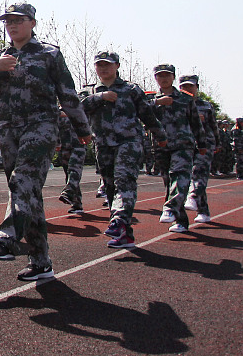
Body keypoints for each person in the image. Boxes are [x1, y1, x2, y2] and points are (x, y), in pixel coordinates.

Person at [0, 3, 91, 281]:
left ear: (32, 23)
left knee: (22, 182)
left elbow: (67, 93)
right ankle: (41, 261)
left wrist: (82, 127)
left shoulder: (49, 54)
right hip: (8, 129)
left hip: (41, 127)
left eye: (18, 20)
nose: (12, 25)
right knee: (27, 193)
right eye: (7, 21)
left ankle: (6, 238)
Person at [80, 51, 166, 249]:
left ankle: (118, 220)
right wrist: (101, 97)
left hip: (129, 142)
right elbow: (76, 107)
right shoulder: (90, 91)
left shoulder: (131, 89)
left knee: (124, 180)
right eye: (99, 65)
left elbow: (147, 114)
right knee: (109, 187)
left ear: (117, 66)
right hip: (103, 144)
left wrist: (160, 136)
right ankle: (125, 234)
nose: (103, 68)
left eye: (107, 65)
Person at [151, 64, 204, 233]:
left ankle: (170, 207)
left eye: (167, 75)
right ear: (156, 78)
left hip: (183, 145)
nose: (164, 78)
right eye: (160, 76)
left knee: (180, 178)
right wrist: (157, 103)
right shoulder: (150, 100)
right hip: (162, 146)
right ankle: (181, 220)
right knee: (169, 183)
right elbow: (138, 113)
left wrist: (202, 143)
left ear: (173, 77)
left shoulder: (185, 99)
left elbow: (196, 123)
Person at [178, 75, 217, 223]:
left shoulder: (206, 106)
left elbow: (214, 126)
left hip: (204, 144)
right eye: (184, 86)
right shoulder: (177, 104)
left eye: (190, 86)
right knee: (185, 178)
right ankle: (203, 211)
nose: (187, 89)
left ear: (197, 88)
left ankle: (193, 196)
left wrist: (217, 143)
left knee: (199, 173)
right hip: (184, 144)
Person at [56, 111, 87, 215]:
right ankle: (76, 203)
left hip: (78, 145)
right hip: (64, 148)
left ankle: (68, 192)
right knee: (68, 174)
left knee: (74, 170)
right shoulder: (56, 112)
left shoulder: (77, 108)